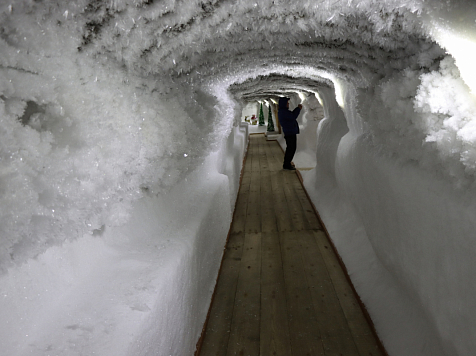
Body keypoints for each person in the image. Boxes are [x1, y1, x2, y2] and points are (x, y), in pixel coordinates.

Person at [278, 97, 302, 170]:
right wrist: (298, 108)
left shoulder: (283, 111)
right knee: (291, 148)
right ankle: (286, 164)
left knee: (290, 148)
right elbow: (293, 116)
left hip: (289, 131)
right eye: (287, 103)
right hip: (290, 132)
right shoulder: (283, 112)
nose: (288, 104)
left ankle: (287, 163)